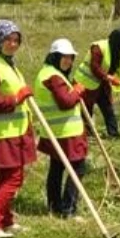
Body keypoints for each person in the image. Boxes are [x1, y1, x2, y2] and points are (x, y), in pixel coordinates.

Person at [0, 20, 37, 238]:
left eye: (16, 40)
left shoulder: (8, 63)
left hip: (16, 129)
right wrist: (16, 98)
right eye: (7, 40)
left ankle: (6, 219)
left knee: (8, 176)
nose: (12, 44)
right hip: (1, 132)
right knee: (13, 178)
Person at [35, 38, 88, 218]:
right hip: (66, 132)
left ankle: (54, 206)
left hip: (55, 131)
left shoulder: (47, 72)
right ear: (54, 57)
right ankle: (68, 209)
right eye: (64, 57)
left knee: (57, 168)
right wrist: (78, 91)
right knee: (78, 167)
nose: (68, 61)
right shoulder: (54, 77)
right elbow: (65, 102)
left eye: (70, 57)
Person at [73, 29, 120, 139]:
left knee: (108, 108)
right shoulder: (99, 47)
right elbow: (94, 67)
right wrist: (107, 77)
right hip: (85, 83)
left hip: (102, 86)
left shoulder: (118, 52)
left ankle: (113, 133)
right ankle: (88, 133)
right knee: (86, 109)